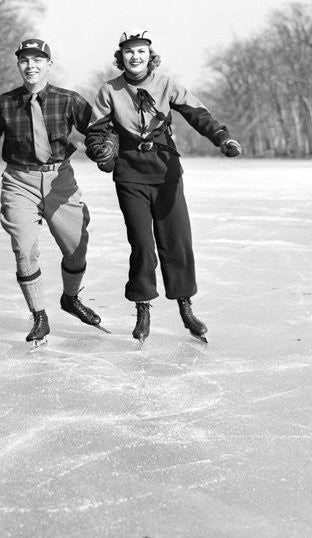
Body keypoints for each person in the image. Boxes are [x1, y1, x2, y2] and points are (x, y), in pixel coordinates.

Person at [84, 30, 242, 343]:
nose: (135, 56)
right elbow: (94, 131)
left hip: (166, 171)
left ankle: (185, 306)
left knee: (177, 240)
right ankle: (142, 308)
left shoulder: (167, 84)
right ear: (121, 57)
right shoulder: (109, 90)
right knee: (142, 244)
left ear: (150, 55)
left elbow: (198, 115)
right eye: (129, 51)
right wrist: (98, 150)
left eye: (141, 51)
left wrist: (222, 138)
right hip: (130, 174)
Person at [0, 38, 101, 345]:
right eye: (24, 60)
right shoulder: (5, 104)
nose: (30, 66)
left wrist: (105, 148)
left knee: (76, 248)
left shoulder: (68, 100)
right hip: (19, 182)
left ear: (48, 64)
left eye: (37, 60)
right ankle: (39, 316)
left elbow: (99, 130)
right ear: (19, 65)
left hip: (59, 180)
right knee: (24, 248)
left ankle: (70, 298)